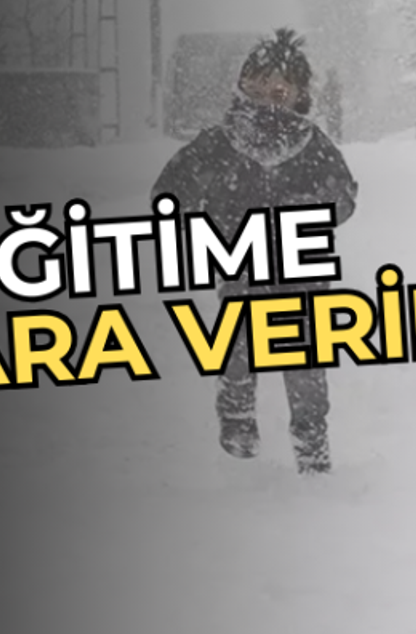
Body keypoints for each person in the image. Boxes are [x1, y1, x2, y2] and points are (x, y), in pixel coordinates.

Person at [151, 28, 359, 476]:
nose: (269, 98)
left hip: (303, 275)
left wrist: (312, 210)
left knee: (305, 361)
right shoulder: (219, 144)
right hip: (240, 270)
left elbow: (343, 196)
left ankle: (311, 444)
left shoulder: (312, 145)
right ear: (242, 87)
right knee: (238, 345)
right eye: (259, 87)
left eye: (280, 90)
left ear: (300, 94)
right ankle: (238, 415)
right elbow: (169, 191)